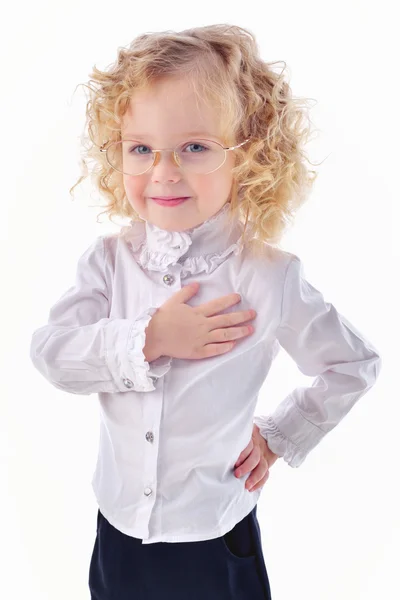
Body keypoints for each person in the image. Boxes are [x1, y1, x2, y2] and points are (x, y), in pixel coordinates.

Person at [29, 23, 382, 600]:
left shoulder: (269, 276)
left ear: (250, 156)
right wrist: (149, 337)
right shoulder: (109, 263)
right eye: (141, 148)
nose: (164, 171)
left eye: (194, 146)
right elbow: (52, 354)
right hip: (119, 526)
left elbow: (351, 364)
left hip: (213, 531)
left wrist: (280, 435)